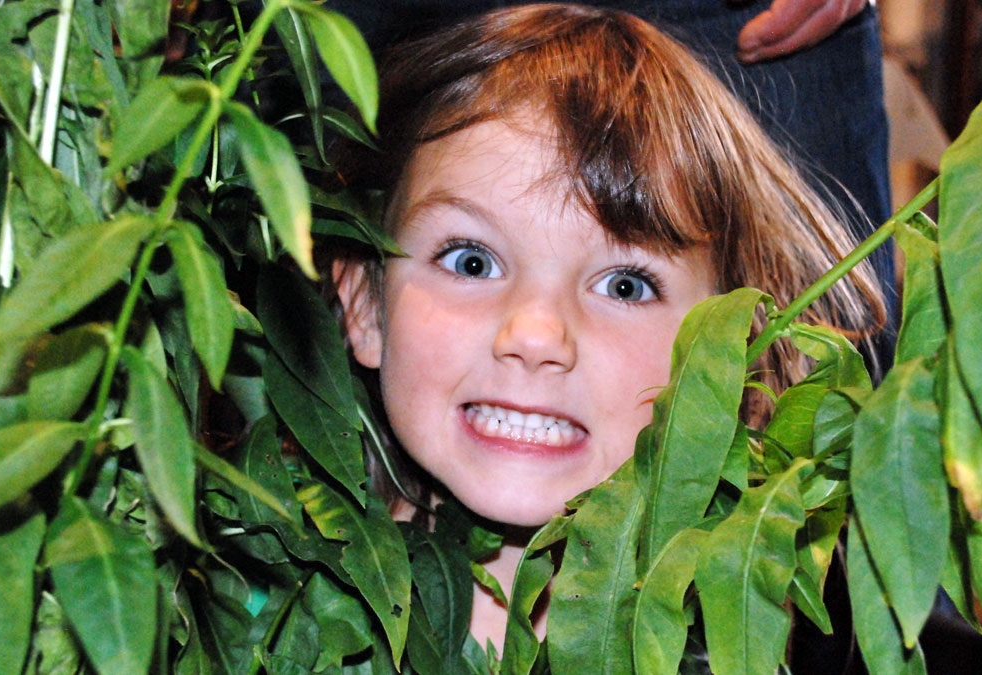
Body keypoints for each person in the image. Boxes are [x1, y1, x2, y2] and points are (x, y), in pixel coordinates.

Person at [325, 3, 885, 655]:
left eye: (624, 285)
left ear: (731, 349)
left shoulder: (755, 637)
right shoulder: (255, 603)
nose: (535, 337)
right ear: (365, 303)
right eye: (471, 261)